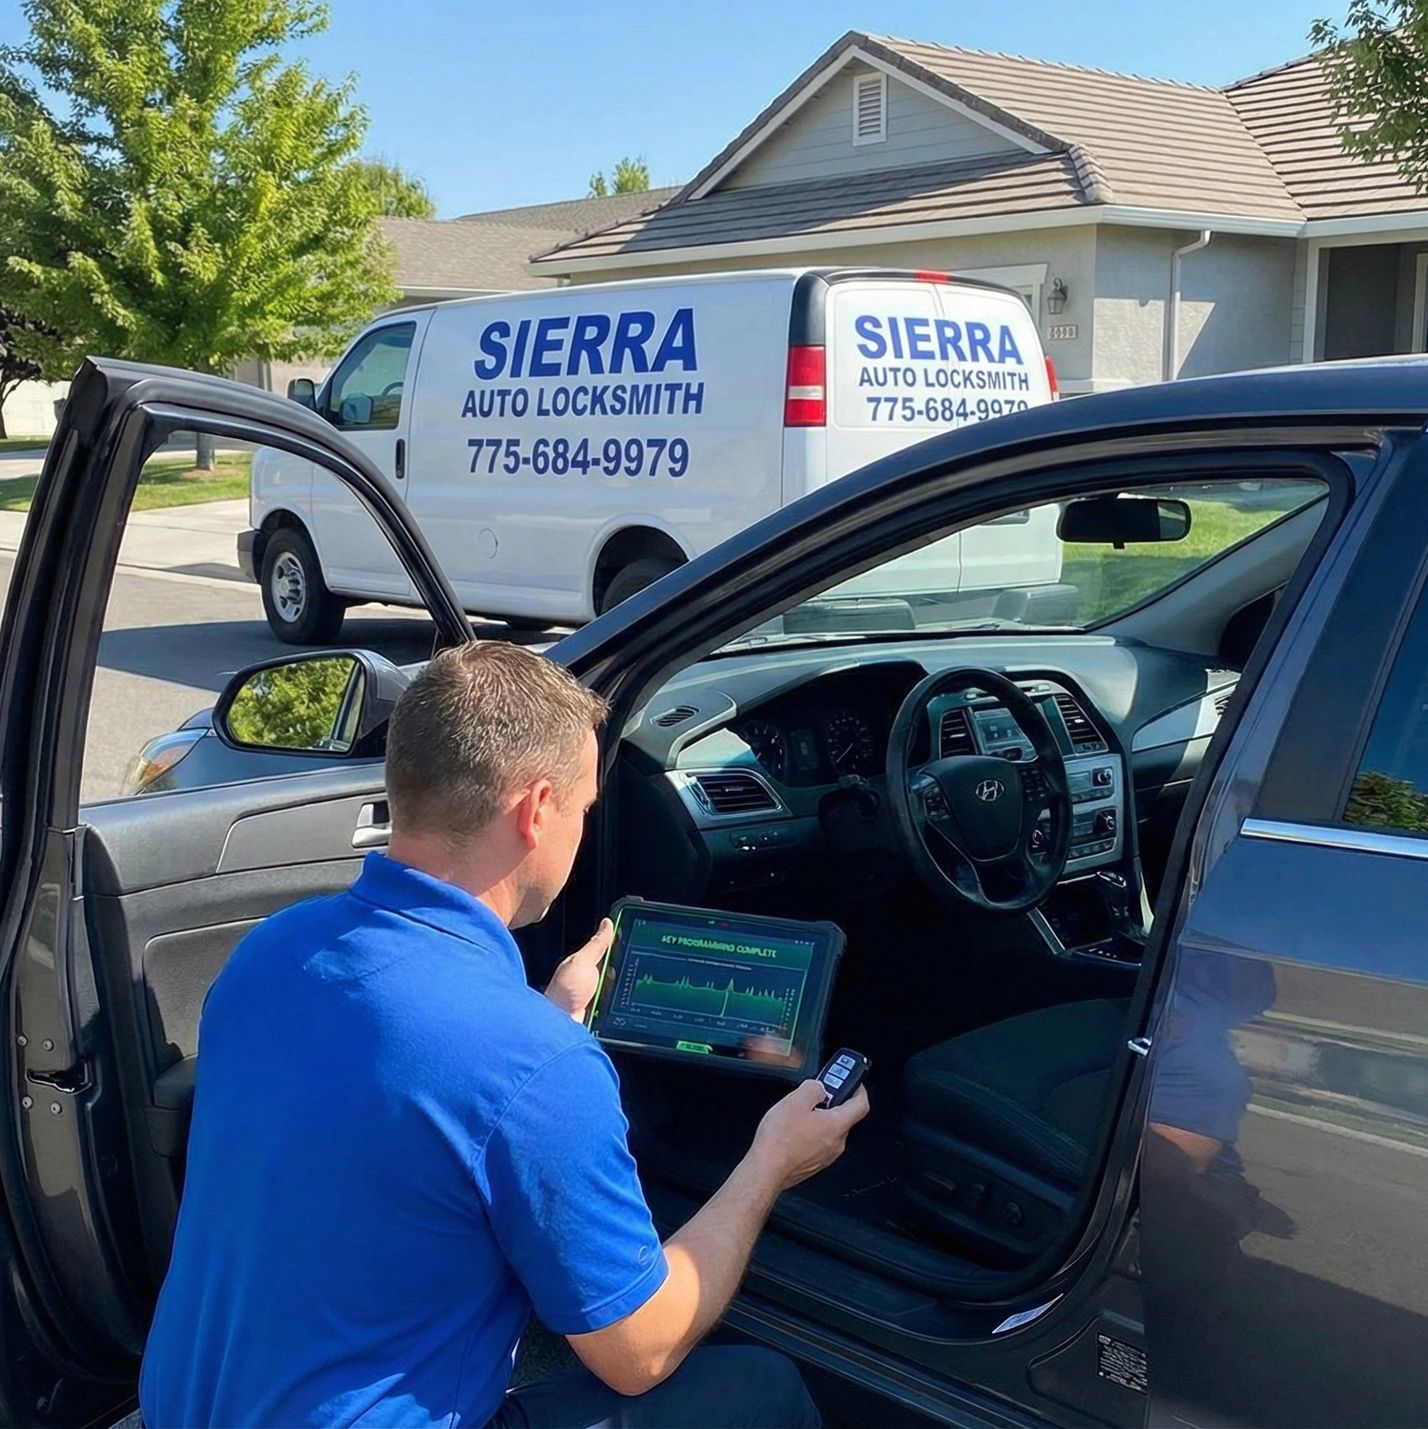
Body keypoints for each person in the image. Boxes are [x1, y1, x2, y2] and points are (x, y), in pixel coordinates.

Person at [140, 641, 869, 1428]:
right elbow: (639, 1351)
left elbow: (394, 1114)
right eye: (585, 808)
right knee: (765, 1389)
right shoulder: (533, 1066)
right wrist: (770, 1160)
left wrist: (539, 1027)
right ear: (535, 810)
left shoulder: (267, 956)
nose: (584, 829)